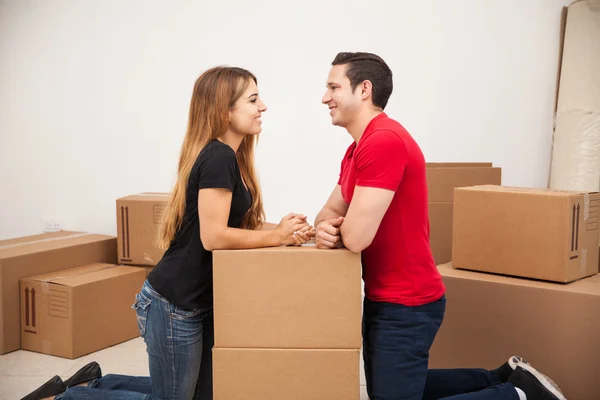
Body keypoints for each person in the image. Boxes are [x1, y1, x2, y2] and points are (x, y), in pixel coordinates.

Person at [23, 66, 315, 400]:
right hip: (175, 304)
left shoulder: (228, 156)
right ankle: (62, 397)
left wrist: (285, 230)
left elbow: (233, 226)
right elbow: (214, 236)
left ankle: (93, 384)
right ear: (225, 110)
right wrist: (277, 237)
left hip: (197, 302)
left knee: (199, 395)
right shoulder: (219, 156)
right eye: (253, 99)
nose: (263, 106)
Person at [314, 51, 566, 400]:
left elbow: (356, 237)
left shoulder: (383, 142)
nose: (325, 97)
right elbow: (328, 213)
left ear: (364, 89)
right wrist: (324, 228)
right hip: (386, 296)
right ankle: (506, 377)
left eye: (333, 87)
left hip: (407, 302)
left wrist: (336, 230)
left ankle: (519, 397)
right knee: (390, 392)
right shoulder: (358, 150)